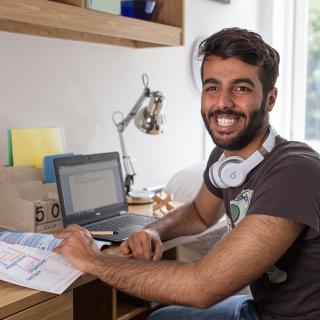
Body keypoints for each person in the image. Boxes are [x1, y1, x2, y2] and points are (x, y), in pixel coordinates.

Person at [54, 27, 320, 320]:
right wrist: (155, 229)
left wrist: (92, 260)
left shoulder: (297, 171)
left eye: (241, 88)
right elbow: (199, 213)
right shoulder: (225, 157)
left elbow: (201, 287)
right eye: (212, 87)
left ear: (270, 99)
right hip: (262, 310)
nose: (222, 103)